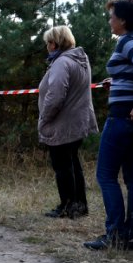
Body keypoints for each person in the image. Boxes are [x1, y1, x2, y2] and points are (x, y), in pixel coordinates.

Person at [83, 0, 133, 251]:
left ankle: (115, 234)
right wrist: (121, 82)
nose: (110, 20)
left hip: (124, 118)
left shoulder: (127, 41)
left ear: (123, 20)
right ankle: (131, 236)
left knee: (105, 175)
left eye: (112, 16)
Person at [37, 25, 98, 220]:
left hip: (62, 123)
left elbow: (55, 96)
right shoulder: (81, 59)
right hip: (78, 121)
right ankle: (79, 205)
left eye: (48, 42)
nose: (47, 46)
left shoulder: (62, 63)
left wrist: (45, 118)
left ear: (54, 44)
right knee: (73, 164)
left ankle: (66, 205)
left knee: (62, 166)